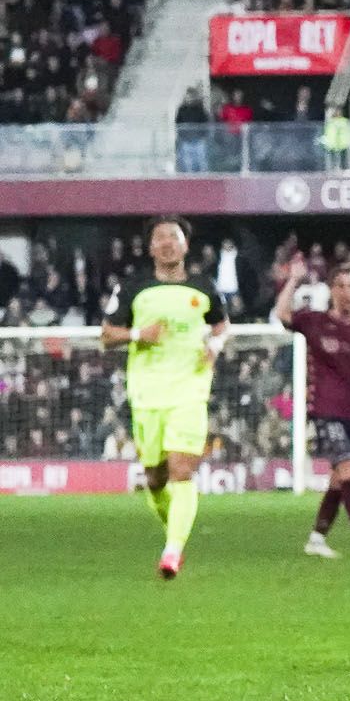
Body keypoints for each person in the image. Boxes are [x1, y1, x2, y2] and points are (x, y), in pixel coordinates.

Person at [100, 216, 229, 579]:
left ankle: (172, 551)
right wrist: (140, 333)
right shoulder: (132, 287)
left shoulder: (204, 287)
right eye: (160, 238)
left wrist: (215, 345)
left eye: (174, 237)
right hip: (146, 393)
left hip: (190, 389)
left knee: (182, 471)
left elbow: (221, 323)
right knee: (155, 479)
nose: (168, 243)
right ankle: (173, 531)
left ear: (186, 245)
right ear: (151, 248)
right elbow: (107, 335)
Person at [276, 262, 350, 558]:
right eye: (341, 286)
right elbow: (282, 315)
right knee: (348, 470)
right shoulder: (314, 322)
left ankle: (316, 539)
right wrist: (293, 280)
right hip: (324, 409)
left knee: (340, 481)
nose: (347, 292)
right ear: (331, 290)